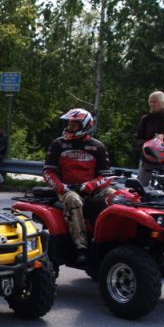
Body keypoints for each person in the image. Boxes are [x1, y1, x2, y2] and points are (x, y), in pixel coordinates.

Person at [42, 108, 114, 265]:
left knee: (115, 195)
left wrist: (90, 185)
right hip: (67, 190)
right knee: (73, 199)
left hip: (90, 189)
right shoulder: (58, 144)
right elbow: (48, 172)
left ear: (85, 125)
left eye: (74, 124)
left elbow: (106, 176)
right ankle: (81, 248)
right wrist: (61, 187)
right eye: (69, 124)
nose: (69, 127)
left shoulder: (98, 147)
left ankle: (111, 240)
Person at [135, 91, 164, 186]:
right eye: (150, 102)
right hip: (147, 160)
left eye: (154, 102)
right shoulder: (145, 119)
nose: (152, 104)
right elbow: (137, 139)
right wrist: (149, 144)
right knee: (140, 187)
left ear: (162, 102)